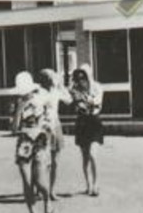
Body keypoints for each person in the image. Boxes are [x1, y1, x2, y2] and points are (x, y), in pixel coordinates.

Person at [10, 70, 52, 213]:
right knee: (27, 181)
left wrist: (45, 133)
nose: (24, 94)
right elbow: (13, 129)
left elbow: (49, 122)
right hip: (24, 143)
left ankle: (47, 199)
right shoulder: (15, 104)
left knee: (40, 181)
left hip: (40, 141)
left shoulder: (41, 100)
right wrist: (19, 111)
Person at [34, 67, 74, 201]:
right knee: (42, 161)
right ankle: (40, 188)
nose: (53, 81)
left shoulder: (56, 92)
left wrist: (61, 87)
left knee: (55, 162)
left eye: (53, 78)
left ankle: (51, 190)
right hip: (42, 128)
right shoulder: (39, 92)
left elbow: (69, 100)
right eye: (51, 78)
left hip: (55, 126)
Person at [69, 64, 103, 196]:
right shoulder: (75, 89)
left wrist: (87, 99)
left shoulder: (97, 87)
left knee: (93, 154)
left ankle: (96, 184)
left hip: (94, 121)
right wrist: (72, 88)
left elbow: (97, 102)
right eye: (78, 77)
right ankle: (88, 185)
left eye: (84, 76)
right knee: (85, 157)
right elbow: (74, 104)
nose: (81, 79)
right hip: (82, 123)